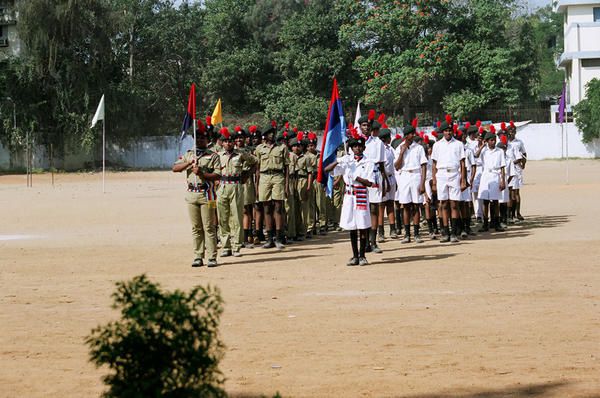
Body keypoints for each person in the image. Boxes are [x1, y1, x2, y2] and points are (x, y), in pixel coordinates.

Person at [172, 121, 221, 267]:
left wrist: (202, 173)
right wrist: (188, 164)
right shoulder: (189, 154)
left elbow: (218, 175)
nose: (200, 140)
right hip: (192, 193)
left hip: (207, 194)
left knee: (209, 227)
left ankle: (212, 257)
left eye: (203, 138)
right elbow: (175, 168)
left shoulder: (213, 156)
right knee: (196, 227)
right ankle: (198, 255)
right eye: (197, 137)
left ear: (207, 140)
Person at [324, 133, 374, 266]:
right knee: (352, 226)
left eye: (359, 146)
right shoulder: (347, 161)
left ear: (363, 147)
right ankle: (355, 256)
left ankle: (363, 255)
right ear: (351, 148)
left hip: (361, 193)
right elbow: (327, 169)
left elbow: (370, 183)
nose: (357, 148)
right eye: (354, 146)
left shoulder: (368, 162)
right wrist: (339, 161)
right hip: (349, 195)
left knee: (362, 226)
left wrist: (356, 177)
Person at [216, 127, 257, 257]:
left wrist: (247, 174)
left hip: (236, 186)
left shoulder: (240, 154)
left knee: (237, 217)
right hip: (222, 186)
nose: (228, 143)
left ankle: (236, 246)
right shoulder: (218, 156)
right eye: (225, 141)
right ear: (222, 143)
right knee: (223, 217)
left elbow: (255, 162)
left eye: (230, 141)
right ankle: (225, 246)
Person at [431, 115, 467, 243]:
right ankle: (445, 232)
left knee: (454, 204)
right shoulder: (437, 145)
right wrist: (434, 181)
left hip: (454, 174)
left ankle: (454, 233)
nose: (448, 132)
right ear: (442, 132)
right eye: (446, 130)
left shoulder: (458, 144)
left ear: (453, 131)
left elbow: (462, 163)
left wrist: (463, 180)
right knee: (444, 204)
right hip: (441, 175)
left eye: (450, 130)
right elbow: (434, 164)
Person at [255, 121, 289, 249]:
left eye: (273, 133)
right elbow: (257, 168)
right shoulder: (259, 149)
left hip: (278, 176)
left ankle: (279, 237)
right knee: (266, 208)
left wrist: (286, 185)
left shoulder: (282, 147)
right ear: (264, 135)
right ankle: (269, 238)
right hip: (264, 177)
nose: (272, 135)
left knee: (278, 207)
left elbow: (286, 168)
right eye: (269, 133)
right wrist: (257, 185)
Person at [359, 110, 388, 253]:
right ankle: (363, 242)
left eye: (368, 125)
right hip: (360, 178)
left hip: (375, 176)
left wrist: (386, 181)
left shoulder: (378, 143)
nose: (366, 127)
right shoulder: (355, 143)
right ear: (360, 127)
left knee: (374, 209)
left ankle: (373, 241)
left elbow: (382, 164)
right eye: (364, 125)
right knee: (362, 210)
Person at [394, 120, 427, 244]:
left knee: (416, 206)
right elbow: (397, 166)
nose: (413, 135)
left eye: (414, 133)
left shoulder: (419, 148)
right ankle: (407, 234)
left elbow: (423, 166)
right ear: (406, 135)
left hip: (416, 175)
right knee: (405, 206)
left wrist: (422, 183)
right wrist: (402, 152)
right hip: (404, 176)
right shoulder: (399, 148)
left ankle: (417, 234)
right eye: (411, 134)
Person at [476, 131, 506, 232]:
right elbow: (476, 155)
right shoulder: (484, 151)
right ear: (487, 141)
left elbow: (502, 167)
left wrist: (502, 181)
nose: (493, 142)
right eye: (491, 140)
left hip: (495, 175)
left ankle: (496, 223)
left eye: (494, 140)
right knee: (485, 201)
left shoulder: (500, 151)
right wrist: (482, 146)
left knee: (496, 200)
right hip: (486, 176)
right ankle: (485, 223)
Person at [507, 121, 526, 221]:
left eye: (513, 130)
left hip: (516, 169)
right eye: (510, 130)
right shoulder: (504, 143)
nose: (512, 132)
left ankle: (517, 213)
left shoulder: (519, 142)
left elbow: (524, 154)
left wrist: (524, 164)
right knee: (510, 193)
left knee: (516, 192)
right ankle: (510, 214)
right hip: (506, 170)